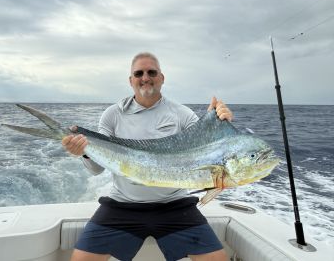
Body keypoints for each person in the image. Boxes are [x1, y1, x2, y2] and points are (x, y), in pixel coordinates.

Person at [62, 52, 233, 261]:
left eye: (152, 72)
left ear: (162, 78)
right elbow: (97, 169)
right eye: (139, 73)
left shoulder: (182, 114)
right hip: (122, 205)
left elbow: (208, 150)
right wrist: (84, 154)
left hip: (175, 205)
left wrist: (216, 123)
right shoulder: (112, 115)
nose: (145, 77)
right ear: (131, 80)